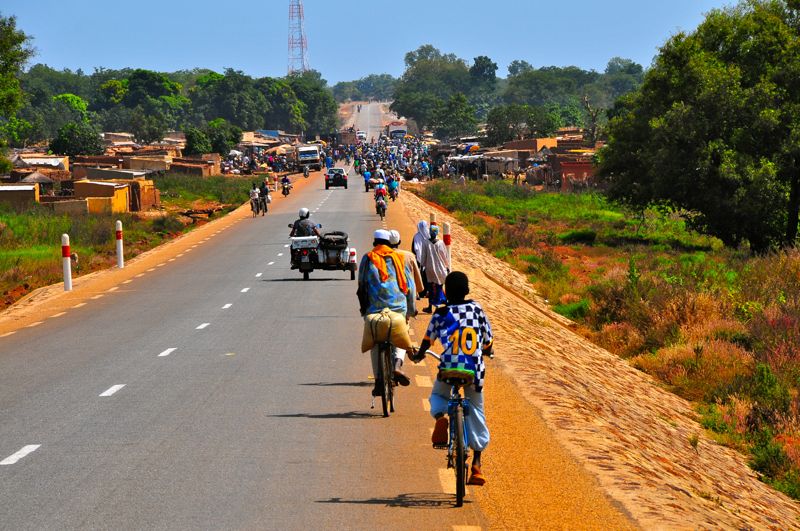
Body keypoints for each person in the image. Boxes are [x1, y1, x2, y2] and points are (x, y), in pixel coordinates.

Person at [411, 271, 494, 486]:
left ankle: (440, 417)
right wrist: (487, 350)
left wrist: (420, 355)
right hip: (473, 371)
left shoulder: (441, 313)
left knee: (439, 394)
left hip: (448, 367)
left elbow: (427, 340)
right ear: (467, 291)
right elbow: (487, 341)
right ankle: (476, 464)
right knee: (476, 410)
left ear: (445, 291)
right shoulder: (476, 309)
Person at [357, 229, 416, 393]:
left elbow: (362, 286)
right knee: (401, 332)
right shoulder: (400, 258)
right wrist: (410, 311)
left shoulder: (368, 258)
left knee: (375, 341)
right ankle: (397, 364)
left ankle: (378, 381)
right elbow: (409, 287)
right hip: (398, 308)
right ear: (390, 243)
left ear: (374, 243)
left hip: (375, 309)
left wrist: (364, 310)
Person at [419, 224, 450, 313]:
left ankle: (430, 307)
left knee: (430, 288)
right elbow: (444, 256)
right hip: (440, 268)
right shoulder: (440, 243)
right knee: (439, 287)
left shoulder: (425, 242)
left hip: (429, 269)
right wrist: (447, 266)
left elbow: (423, 256)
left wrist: (423, 266)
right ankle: (439, 304)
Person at [411, 221, 431, 299]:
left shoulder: (416, 236)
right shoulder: (429, 235)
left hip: (419, 259)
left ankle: (420, 292)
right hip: (428, 258)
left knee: (419, 275)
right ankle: (427, 291)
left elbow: (414, 248)